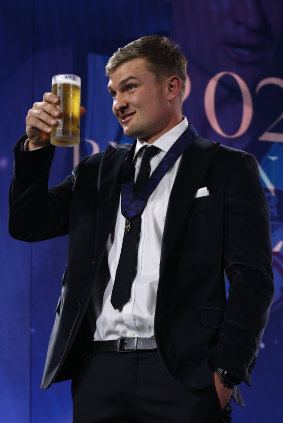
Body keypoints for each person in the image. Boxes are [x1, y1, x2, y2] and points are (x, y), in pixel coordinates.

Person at [9, 35, 274, 423]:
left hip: (182, 374)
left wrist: (227, 372)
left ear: (172, 87)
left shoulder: (227, 167)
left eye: (130, 87)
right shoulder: (96, 171)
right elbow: (27, 225)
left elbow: (253, 279)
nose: (118, 103)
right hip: (98, 370)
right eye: (114, 92)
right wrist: (36, 149)